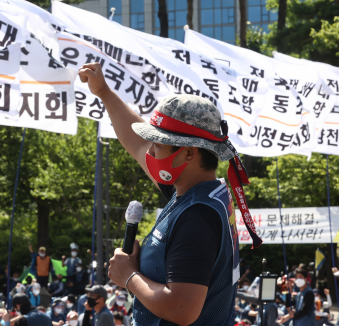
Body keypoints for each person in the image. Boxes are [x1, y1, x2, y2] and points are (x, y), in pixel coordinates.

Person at [80, 64, 255, 325]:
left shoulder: (198, 216)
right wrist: (103, 91)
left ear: (189, 153)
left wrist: (129, 277)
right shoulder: (198, 192)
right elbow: (137, 142)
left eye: (158, 145)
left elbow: (182, 309)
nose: (150, 152)